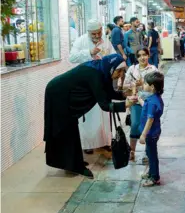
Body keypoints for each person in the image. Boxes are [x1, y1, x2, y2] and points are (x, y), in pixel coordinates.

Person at [44, 54, 134, 178]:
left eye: (122, 71)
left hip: (63, 93)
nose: (120, 74)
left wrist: (124, 95)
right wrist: (126, 105)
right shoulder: (95, 75)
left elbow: (108, 93)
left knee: (71, 129)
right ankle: (72, 165)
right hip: (58, 94)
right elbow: (104, 104)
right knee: (64, 128)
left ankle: (73, 163)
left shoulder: (102, 70)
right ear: (111, 67)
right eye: (118, 71)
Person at [69, 19, 116, 154]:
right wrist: (90, 53)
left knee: (104, 111)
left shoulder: (106, 41)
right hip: (87, 83)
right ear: (88, 32)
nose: (96, 36)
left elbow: (113, 56)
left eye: (98, 33)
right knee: (89, 113)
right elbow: (72, 58)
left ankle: (105, 141)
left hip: (102, 81)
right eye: (93, 34)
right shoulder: (81, 41)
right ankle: (88, 144)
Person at [123, 48, 159, 162]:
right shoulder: (132, 69)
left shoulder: (153, 69)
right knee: (135, 125)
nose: (142, 58)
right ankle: (132, 151)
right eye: (139, 55)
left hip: (149, 103)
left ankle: (147, 153)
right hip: (136, 101)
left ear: (148, 56)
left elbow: (156, 86)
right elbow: (124, 86)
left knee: (148, 128)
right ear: (137, 58)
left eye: (144, 55)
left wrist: (142, 84)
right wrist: (133, 85)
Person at [138, 72, 165, 187]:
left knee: (152, 155)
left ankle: (155, 177)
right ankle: (151, 172)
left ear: (152, 87)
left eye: (145, 83)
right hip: (153, 132)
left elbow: (150, 119)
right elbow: (147, 106)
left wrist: (143, 135)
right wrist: (139, 100)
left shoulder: (153, 102)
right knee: (149, 153)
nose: (143, 85)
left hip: (150, 134)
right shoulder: (154, 98)